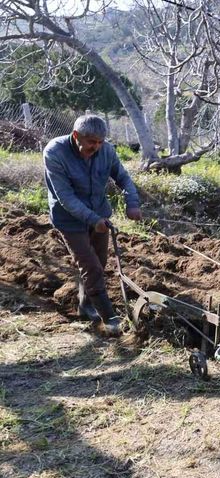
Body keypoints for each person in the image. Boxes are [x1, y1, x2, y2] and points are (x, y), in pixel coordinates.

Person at [44, 114, 142, 336]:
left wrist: (132, 203)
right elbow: (65, 197)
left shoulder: (106, 150)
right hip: (69, 219)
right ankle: (110, 320)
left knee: (100, 261)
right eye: (91, 142)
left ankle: (85, 305)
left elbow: (123, 178)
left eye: (100, 142)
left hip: (99, 213)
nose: (96, 147)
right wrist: (93, 220)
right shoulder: (55, 152)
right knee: (91, 267)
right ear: (76, 135)